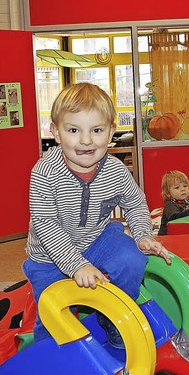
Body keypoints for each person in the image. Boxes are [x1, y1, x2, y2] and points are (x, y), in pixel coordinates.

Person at [22, 83, 170, 346]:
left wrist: (143, 235)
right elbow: (46, 226)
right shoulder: (44, 173)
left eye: (97, 130)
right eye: (73, 130)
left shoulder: (115, 170)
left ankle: (112, 320)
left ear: (111, 131)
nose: (86, 140)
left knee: (132, 260)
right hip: (48, 257)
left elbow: (135, 202)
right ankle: (49, 356)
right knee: (51, 316)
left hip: (96, 240)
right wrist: (76, 265)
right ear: (56, 132)